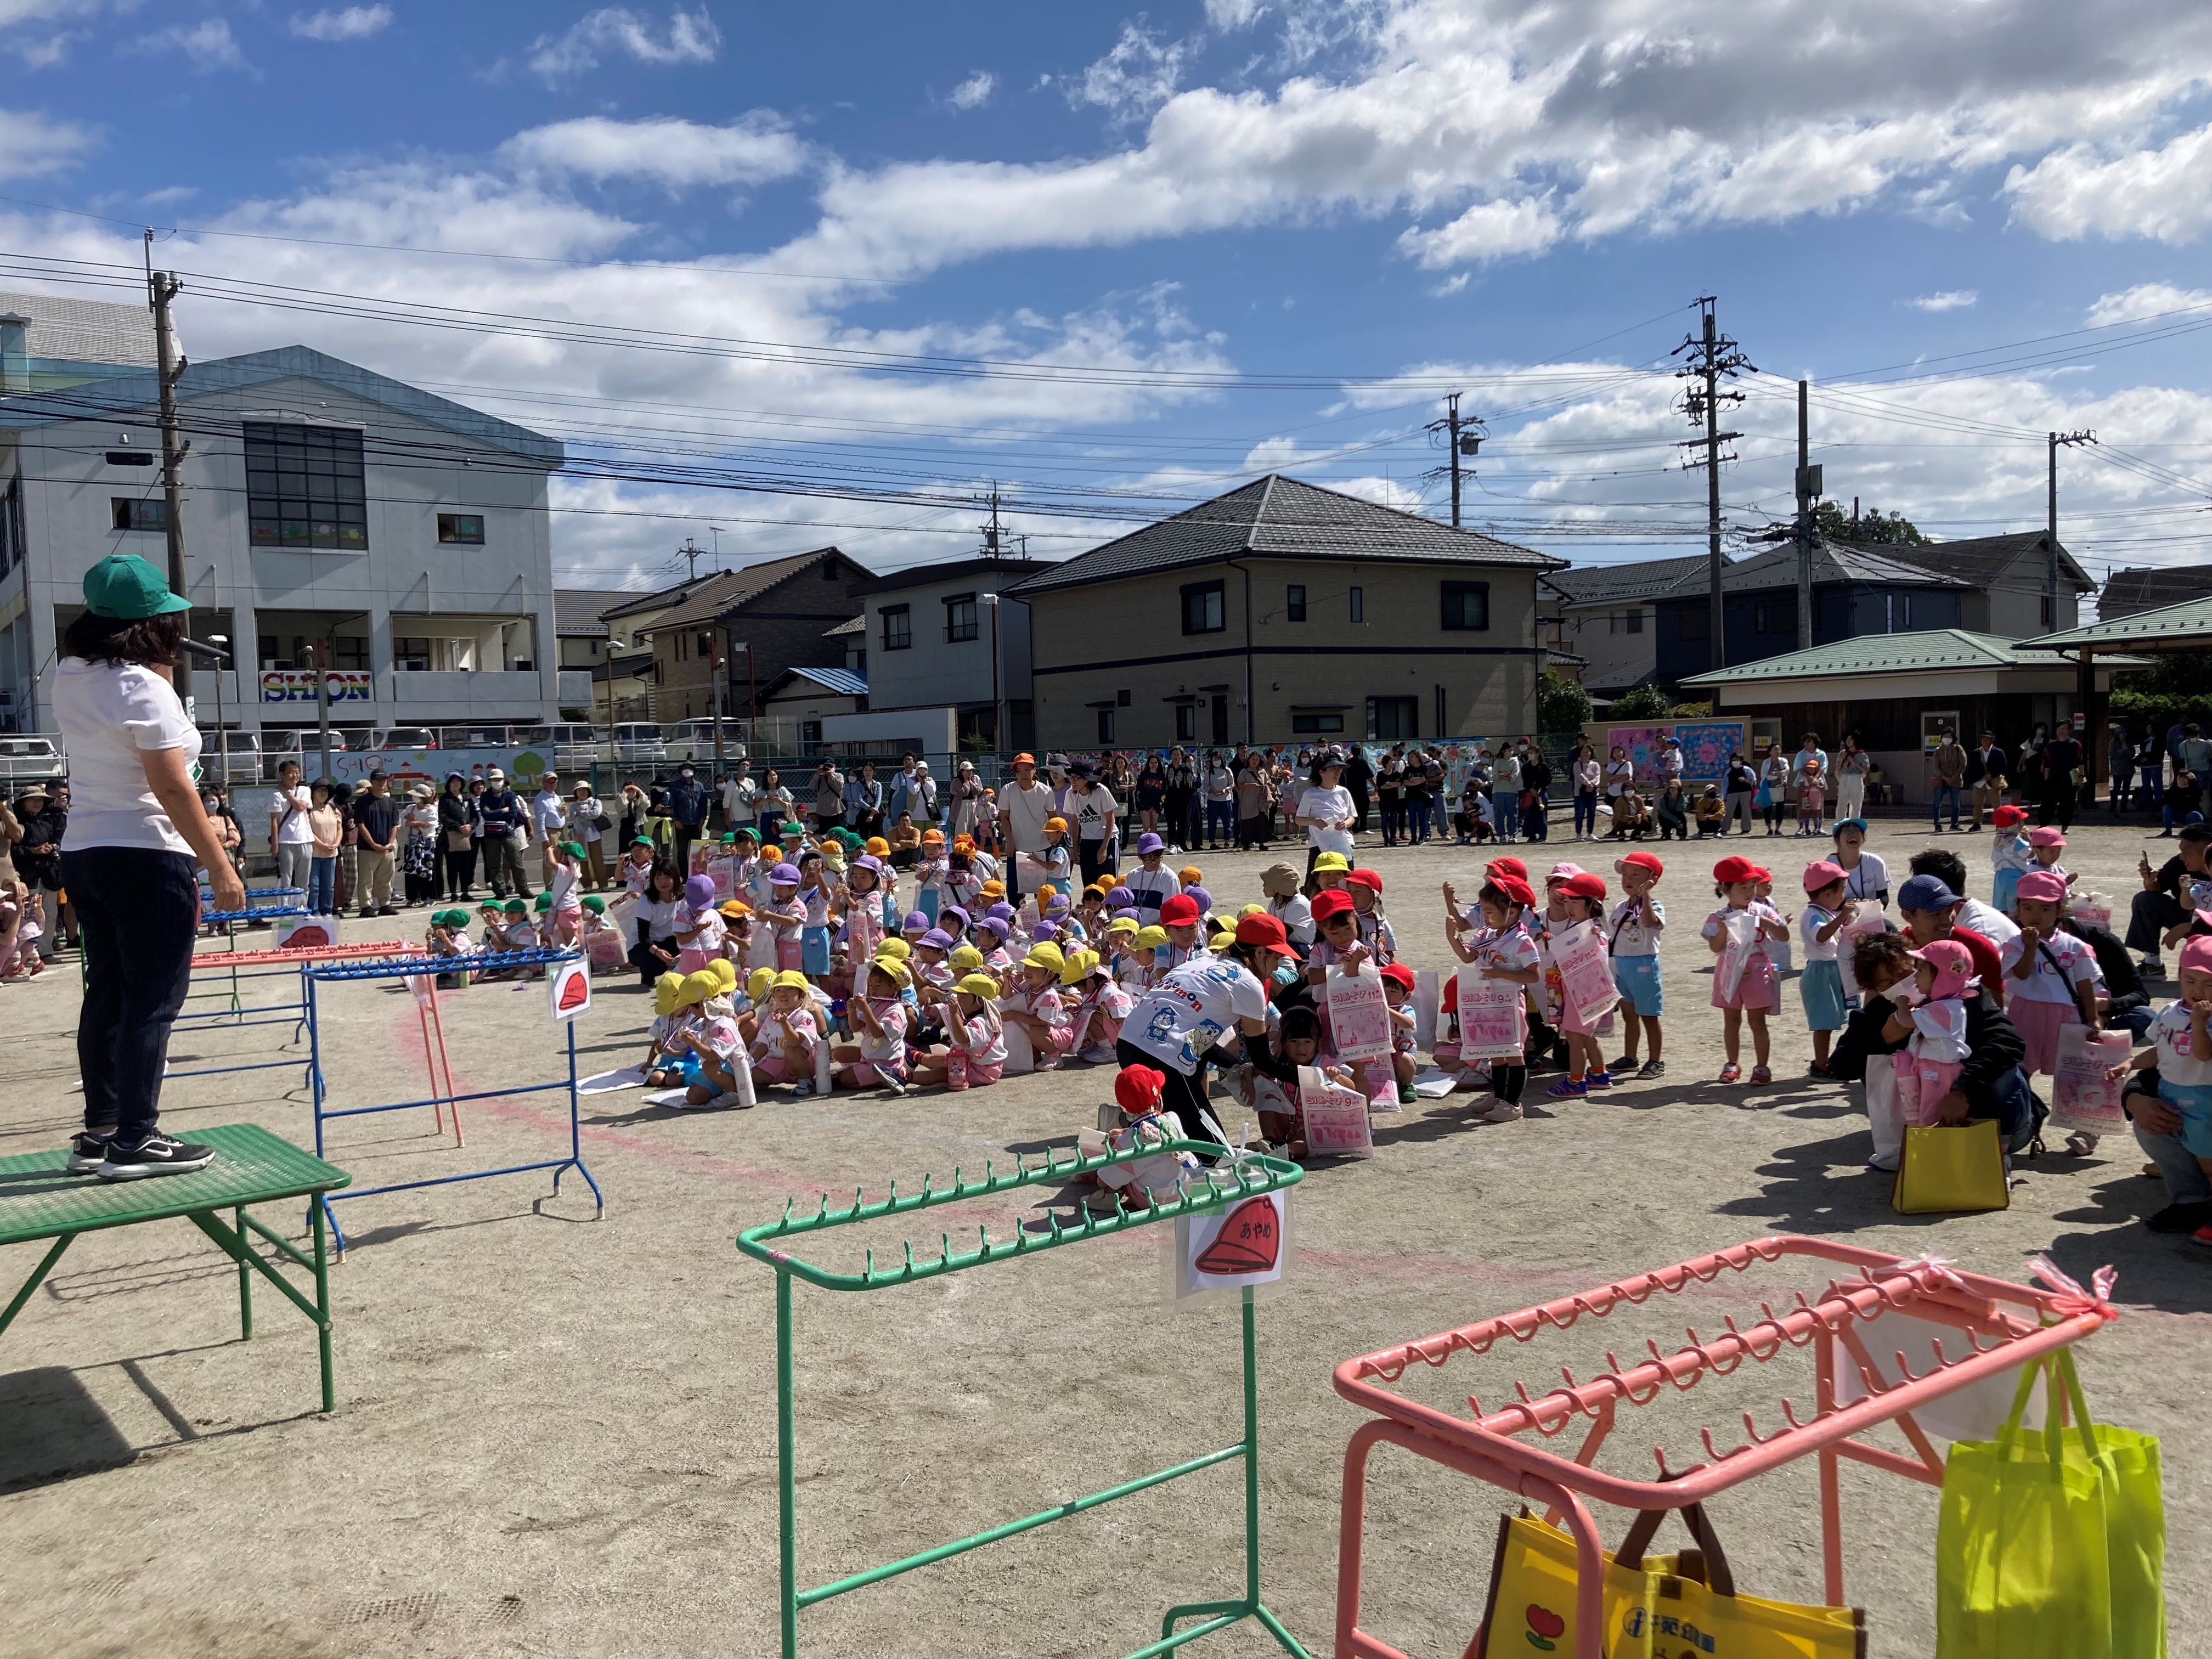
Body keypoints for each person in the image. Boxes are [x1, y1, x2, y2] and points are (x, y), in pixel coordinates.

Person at [53, 553, 244, 1179]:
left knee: (107, 992)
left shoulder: (72, 676)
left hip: (86, 850)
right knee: (153, 1001)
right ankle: (137, 1139)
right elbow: (173, 787)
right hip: (147, 851)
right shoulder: (143, 687)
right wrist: (221, 866)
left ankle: (102, 1131)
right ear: (151, 626)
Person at [1116, 912, 1293, 1152]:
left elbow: (1198, 1037)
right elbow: (1262, 1057)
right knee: (1214, 1152)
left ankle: (1124, 1133)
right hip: (1163, 1054)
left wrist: (1235, 1066)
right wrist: (1310, 1079)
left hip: (1128, 1042)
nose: (1276, 966)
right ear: (1260, 953)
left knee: (1171, 1133)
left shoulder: (1201, 962)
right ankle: (1118, 1139)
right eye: (1277, 957)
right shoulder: (1249, 984)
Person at [2107, 935, 2212, 1239]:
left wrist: (2200, 1022)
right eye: (2190, 980)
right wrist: (2130, 1065)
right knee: (2153, 1122)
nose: (2197, 991)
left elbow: (2203, 1054)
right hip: (2173, 1093)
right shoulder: (2169, 1012)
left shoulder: (2205, 1019)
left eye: (2209, 984)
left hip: (2203, 1100)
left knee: (2210, 1163)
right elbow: (2160, 1049)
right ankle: (2191, 1203)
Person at [1705, 853, 1788, 1084]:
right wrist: (1722, 930)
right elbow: (1715, 948)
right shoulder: (1718, 916)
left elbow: (1784, 935)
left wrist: (1767, 923)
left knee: (1757, 1021)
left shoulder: (1764, 911)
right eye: (1743, 887)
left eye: (1753, 886)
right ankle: (1732, 1063)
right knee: (1731, 1019)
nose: (1750, 891)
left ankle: (1762, 1067)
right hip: (1728, 969)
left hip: (1758, 968)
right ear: (1726, 888)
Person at [2126, 821, 2211, 977]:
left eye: (2187, 853)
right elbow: (2158, 887)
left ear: (2207, 852)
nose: (2181, 857)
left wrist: (2190, 927)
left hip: (2205, 925)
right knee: (2145, 899)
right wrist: (2151, 880)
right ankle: (2152, 964)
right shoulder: (2180, 864)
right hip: (2190, 916)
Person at [997, 752, 1054, 902]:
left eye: (1027, 769)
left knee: (1043, 892)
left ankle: (1044, 922)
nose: (1023, 774)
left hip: (1042, 847)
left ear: (1034, 770)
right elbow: (1004, 817)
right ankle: (1014, 923)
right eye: (1019, 771)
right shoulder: (1008, 790)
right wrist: (1009, 841)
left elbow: (1053, 817)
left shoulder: (1046, 791)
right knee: (1014, 891)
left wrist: (1056, 840)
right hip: (1017, 848)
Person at [477, 768, 531, 899]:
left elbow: (512, 813)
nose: (497, 782)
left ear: (503, 781)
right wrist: (502, 811)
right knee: (494, 864)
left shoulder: (510, 795)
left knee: (516, 862)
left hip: (508, 833)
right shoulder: (485, 796)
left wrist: (494, 813)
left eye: (500, 780)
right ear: (490, 781)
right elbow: (485, 814)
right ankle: (500, 891)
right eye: (494, 780)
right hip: (491, 835)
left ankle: (523, 889)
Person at [267, 758, 313, 896]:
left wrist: (288, 795)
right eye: (291, 773)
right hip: (286, 841)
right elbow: (274, 821)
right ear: (282, 775)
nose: (295, 776)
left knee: (303, 881)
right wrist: (275, 844)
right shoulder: (274, 795)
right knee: (286, 880)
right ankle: (286, 910)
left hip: (305, 839)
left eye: (297, 772)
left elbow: (300, 807)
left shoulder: (305, 790)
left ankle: (303, 910)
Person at [436, 772, 477, 900]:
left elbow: (476, 816)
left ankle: (465, 892)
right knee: (453, 865)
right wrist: (459, 827)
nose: (456, 784)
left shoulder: (467, 798)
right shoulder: (445, 799)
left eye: (458, 781)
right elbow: (444, 817)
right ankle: (453, 892)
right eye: (453, 781)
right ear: (448, 784)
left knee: (466, 865)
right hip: (451, 836)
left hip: (467, 836)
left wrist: (471, 825)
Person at [2036, 722, 2083, 830]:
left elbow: (2079, 761)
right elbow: (2047, 764)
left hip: (2070, 777)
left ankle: (2065, 825)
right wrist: (2046, 780)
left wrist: (2081, 777)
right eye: (2059, 729)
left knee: (2068, 803)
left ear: (2069, 731)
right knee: (2048, 802)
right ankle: (2043, 824)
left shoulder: (2075, 744)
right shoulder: (2051, 745)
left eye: (2064, 728)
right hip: (2054, 777)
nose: (2061, 731)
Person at [532, 772, 568, 887]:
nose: (552, 784)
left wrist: (564, 812)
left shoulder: (557, 797)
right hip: (551, 832)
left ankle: (560, 884)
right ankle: (550, 886)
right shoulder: (541, 799)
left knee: (560, 859)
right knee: (550, 860)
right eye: (549, 782)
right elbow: (540, 821)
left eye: (554, 781)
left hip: (560, 831)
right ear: (543, 782)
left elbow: (559, 815)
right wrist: (544, 838)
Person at [1965, 731, 2007, 829]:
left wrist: (1992, 774)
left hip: (1993, 781)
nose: (1985, 741)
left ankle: (2000, 823)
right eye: (1983, 738)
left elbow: (2004, 766)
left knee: (1997, 804)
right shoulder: (1976, 753)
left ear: (1992, 740)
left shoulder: (1998, 752)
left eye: (1987, 738)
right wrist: (1978, 777)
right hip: (1979, 782)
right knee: (1977, 804)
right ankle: (1977, 823)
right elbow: (1971, 767)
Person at [1928, 727, 1967, 832]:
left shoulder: (1958, 749)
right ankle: (1937, 824)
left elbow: (1963, 764)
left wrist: (1954, 776)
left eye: (1949, 736)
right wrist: (1944, 777)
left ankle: (1954, 824)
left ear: (1953, 738)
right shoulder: (1938, 750)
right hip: (1941, 780)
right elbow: (1936, 766)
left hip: (1955, 780)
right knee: (1937, 803)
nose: (1947, 738)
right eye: (1945, 736)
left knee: (1955, 803)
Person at [1834, 733, 1871, 823]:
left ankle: (1854, 823)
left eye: (1851, 739)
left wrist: (1854, 762)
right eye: (1847, 739)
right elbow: (1838, 769)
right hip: (1845, 778)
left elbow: (1865, 771)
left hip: (1856, 778)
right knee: (1842, 803)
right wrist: (1843, 760)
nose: (1848, 741)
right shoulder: (1843, 753)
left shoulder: (1862, 754)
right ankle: (1840, 823)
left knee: (1856, 804)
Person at [845, 761, 884, 840]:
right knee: (864, 836)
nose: (868, 772)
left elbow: (878, 800)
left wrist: (872, 813)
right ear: (863, 772)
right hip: (864, 810)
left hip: (876, 811)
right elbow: (859, 800)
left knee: (876, 836)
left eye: (870, 770)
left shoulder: (878, 784)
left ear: (874, 772)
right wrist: (869, 808)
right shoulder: (859, 784)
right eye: (866, 770)